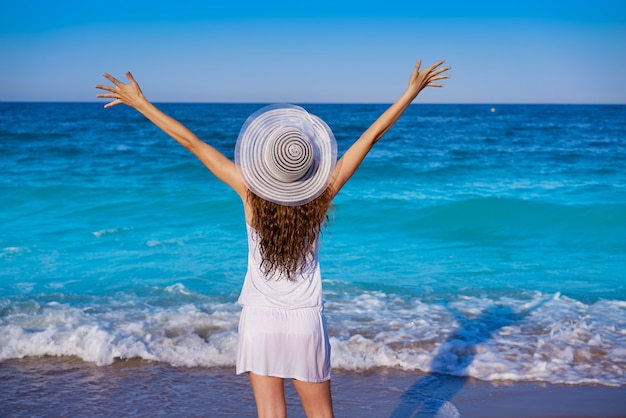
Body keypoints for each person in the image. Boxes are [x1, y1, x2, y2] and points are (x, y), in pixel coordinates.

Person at [96, 59, 450, 418]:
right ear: (309, 165)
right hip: (304, 321)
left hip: (260, 319)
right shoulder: (322, 194)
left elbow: (193, 143)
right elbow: (370, 137)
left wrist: (140, 103)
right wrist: (410, 93)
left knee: (270, 414)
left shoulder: (249, 193)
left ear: (265, 162)